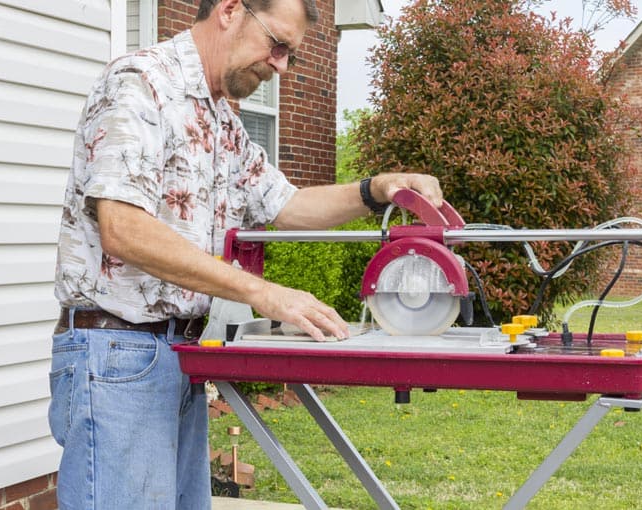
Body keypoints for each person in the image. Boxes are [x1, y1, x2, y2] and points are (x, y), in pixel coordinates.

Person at [49, 0, 444, 508]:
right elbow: (123, 229)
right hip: (117, 355)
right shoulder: (142, 83)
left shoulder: (221, 119)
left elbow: (289, 204)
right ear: (231, 10)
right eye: (277, 44)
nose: (280, 64)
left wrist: (377, 189)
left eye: (291, 55)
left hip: (174, 355)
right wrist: (264, 293)